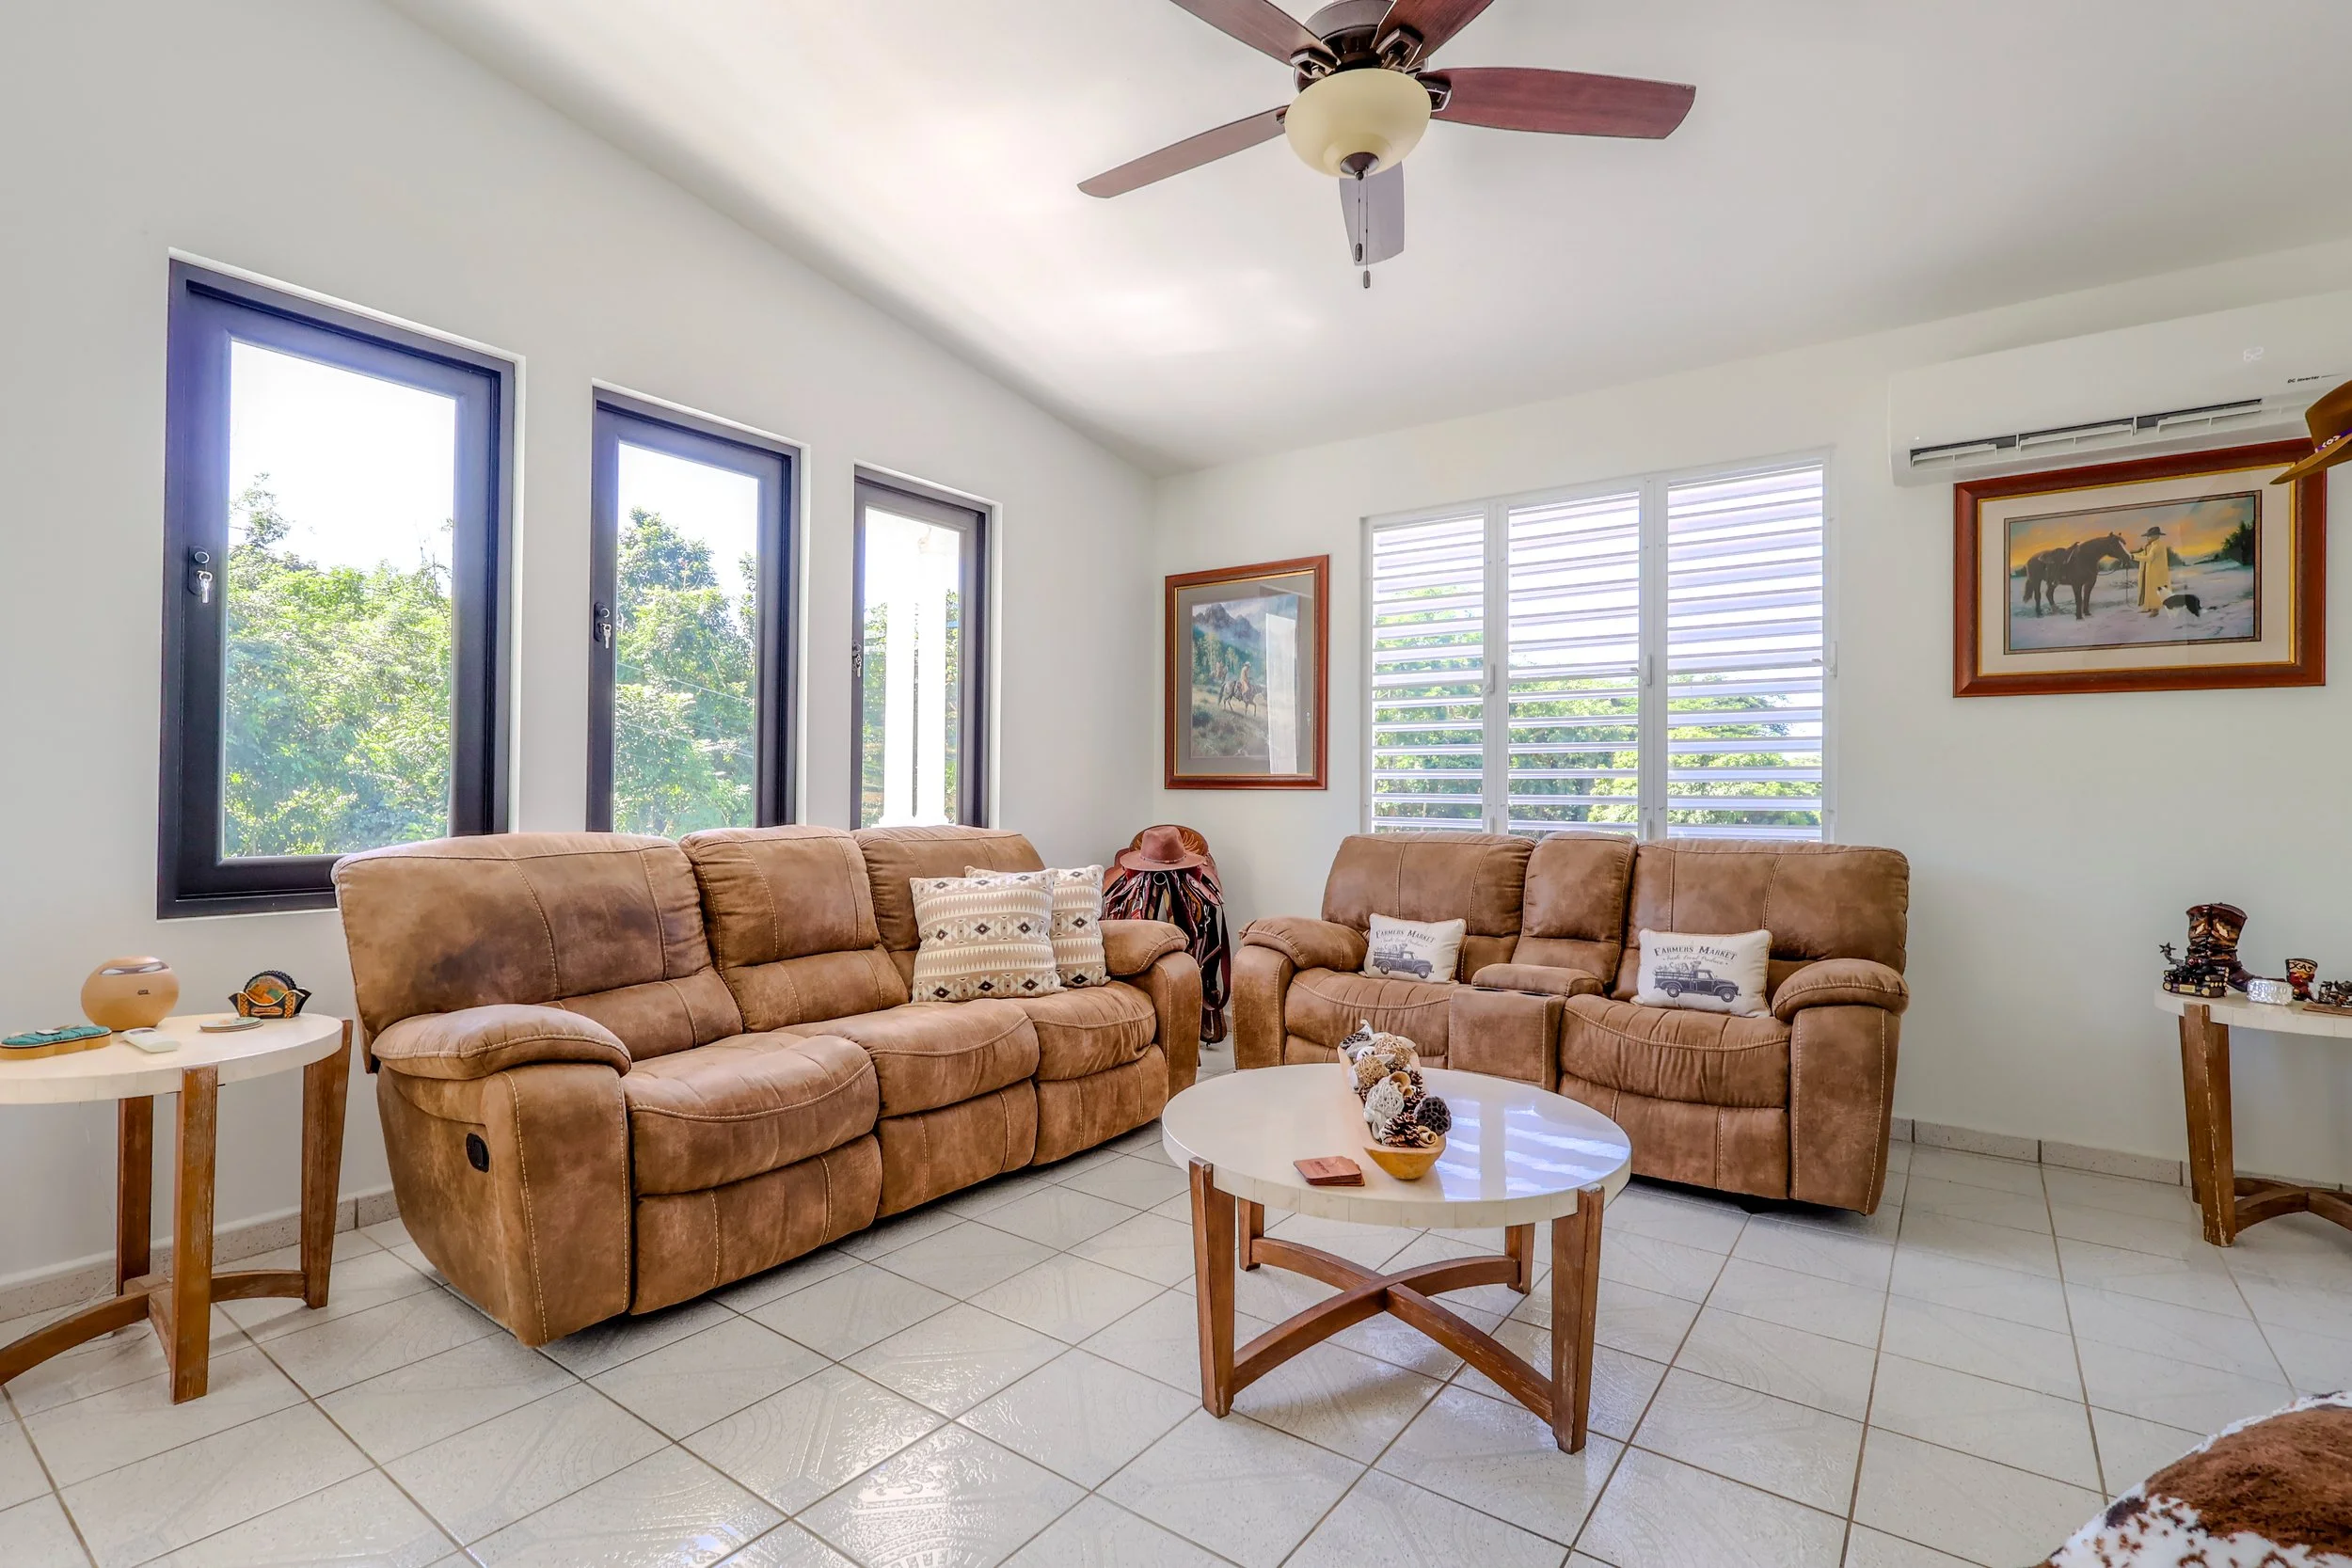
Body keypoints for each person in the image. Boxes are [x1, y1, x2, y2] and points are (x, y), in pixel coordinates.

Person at [2134, 525, 2170, 616]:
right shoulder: (2152, 545)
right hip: (2152, 572)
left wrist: (2133, 557)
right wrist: (2133, 555)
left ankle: (2155, 610)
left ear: (2155, 536)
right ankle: (2149, 607)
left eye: (2149, 536)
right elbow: (2144, 553)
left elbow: (2149, 558)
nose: (2147, 538)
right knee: (2150, 590)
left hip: (2157, 573)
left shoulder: (2157, 546)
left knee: (2154, 591)